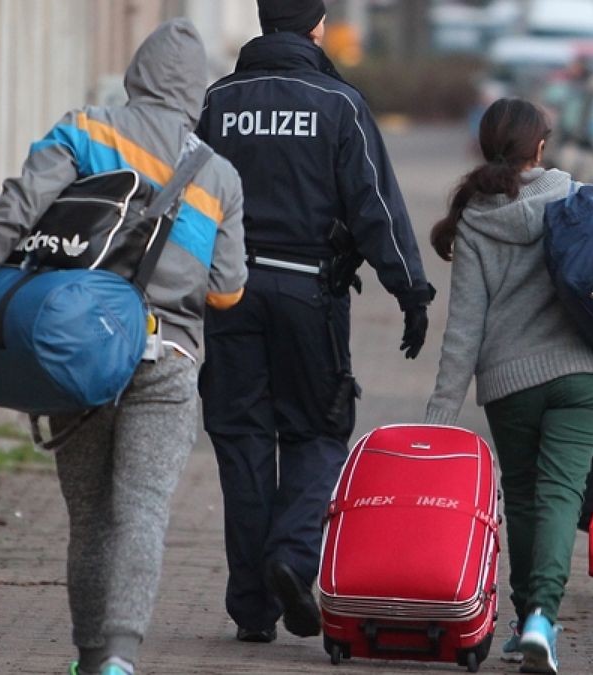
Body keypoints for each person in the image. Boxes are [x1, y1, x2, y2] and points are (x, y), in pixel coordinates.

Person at [0, 19, 247, 675]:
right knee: (141, 512)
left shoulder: (83, 127)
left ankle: (85, 655)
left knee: (90, 516)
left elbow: (20, 206)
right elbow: (225, 292)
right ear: (198, 92)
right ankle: (120, 657)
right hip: (166, 359)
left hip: (74, 349)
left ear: (135, 72)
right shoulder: (218, 175)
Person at [196, 0, 434, 644]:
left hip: (228, 295)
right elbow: (374, 204)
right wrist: (409, 289)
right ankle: (293, 556)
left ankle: (251, 607)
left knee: (243, 441)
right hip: (309, 296)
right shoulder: (339, 104)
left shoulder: (218, 102)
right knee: (318, 434)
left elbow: (187, 200)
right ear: (317, 26)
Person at [424, 98, 593, 675]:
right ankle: (541, 621)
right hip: (583, 377)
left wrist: (440, 417)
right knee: (561, 497)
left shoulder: (477, 217)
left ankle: (524, 619)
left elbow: (465, 327)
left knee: (526, 498)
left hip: (510, 382)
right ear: (539, 146)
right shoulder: (576, 198)